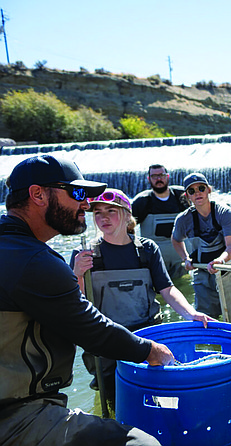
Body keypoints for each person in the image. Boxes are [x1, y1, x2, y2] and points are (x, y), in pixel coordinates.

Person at [0, 154, 174, 445]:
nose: (85, 204)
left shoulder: (13, 249)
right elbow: (93, 332)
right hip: (16, 413)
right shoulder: (34, 261)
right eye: (77, 193)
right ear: (37, 194)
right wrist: (153, 351)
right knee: (143, 444)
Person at [70, 188, 214, 400]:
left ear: (127, 214)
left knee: (156, 396)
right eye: (98, 212)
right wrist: (78, 274)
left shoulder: (146, 249)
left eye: (111, 210)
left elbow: (167, 289)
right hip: (104, 340)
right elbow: (76, 304)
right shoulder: (84, 254)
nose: (103, 217)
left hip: (147, 336)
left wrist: (191, 314)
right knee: (114, 399)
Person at [171, 173, 231, 319]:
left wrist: (220, 261)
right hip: (202, 272)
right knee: (206, 319)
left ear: (208, 190)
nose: (197, 193)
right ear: (187, 196)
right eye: (192, 191)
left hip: (229, 269)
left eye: (201, 188)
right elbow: (176, 240)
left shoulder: (225, 213)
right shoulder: (183, 220)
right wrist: (186, 258)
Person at [131, 164, 190, 278]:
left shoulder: (182, 196)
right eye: (154, 176)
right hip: (155, 260)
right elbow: (127, 227)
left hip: (182, 260)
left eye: (161, 175)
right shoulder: (142, 201)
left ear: (167, 176)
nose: (158, 179)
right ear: (149, 179)